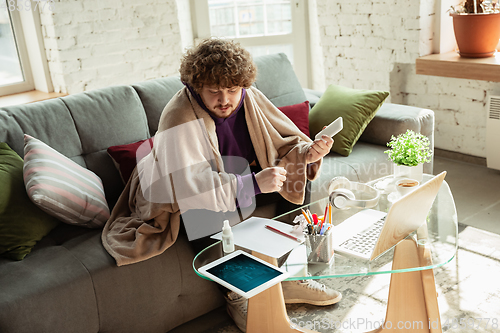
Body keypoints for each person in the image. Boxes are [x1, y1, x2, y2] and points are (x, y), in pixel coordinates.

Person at [102, 38, 341, 332]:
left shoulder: (248, 96)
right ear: (195, 87)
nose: (225, 100)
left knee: (295, 173)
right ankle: (237, 297)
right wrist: (254, 183)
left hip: (236, 177)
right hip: (180, 191)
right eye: (214, 91)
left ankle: (287, 277)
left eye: (232, 90)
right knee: (202, 209)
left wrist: (307, 153)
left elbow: (284, 142)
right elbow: (191, 188)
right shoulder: (179, 115)